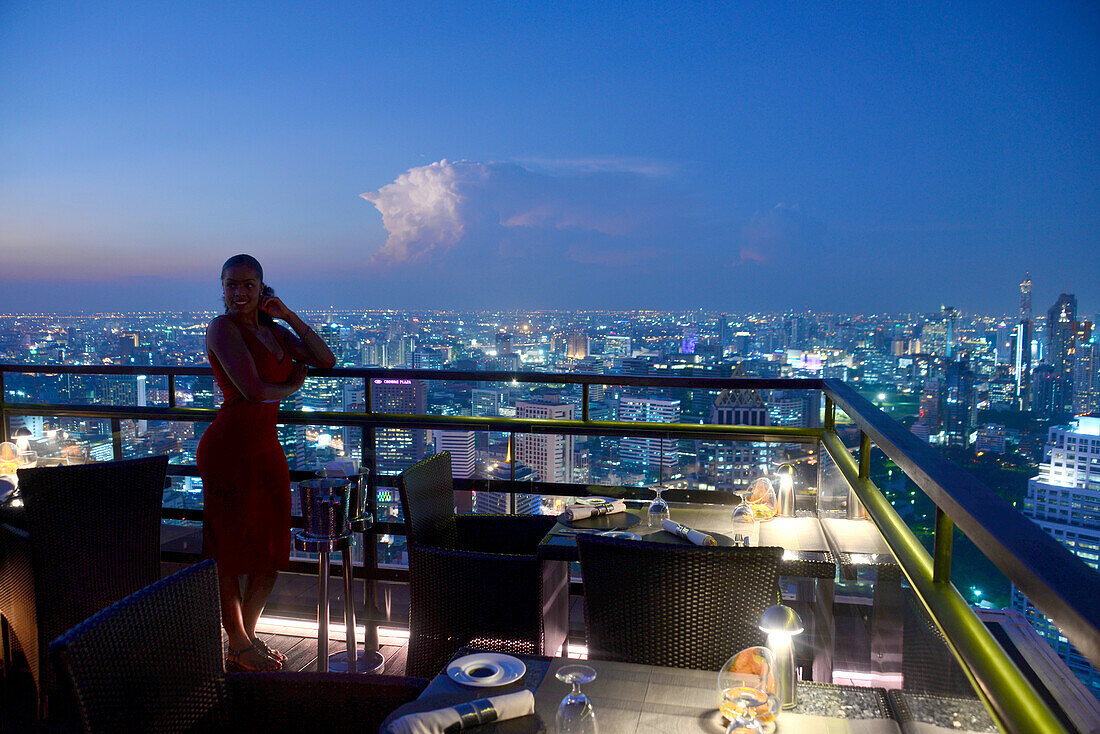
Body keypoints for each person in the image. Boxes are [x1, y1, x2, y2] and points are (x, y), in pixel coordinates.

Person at [197, 254, 335, 671]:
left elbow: (326, 360)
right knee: (229, 549)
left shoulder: (273, 331)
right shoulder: (221, 328)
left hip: (266, 449)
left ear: (262, 288)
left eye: (248, 285)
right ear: (222, 288)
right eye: (231, 284)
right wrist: (293, 384)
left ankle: (248, 637)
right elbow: (255, 391)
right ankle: (237, 646)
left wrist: (288, 315)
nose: (239, 292)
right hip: (229, 449)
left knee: (271, 547)